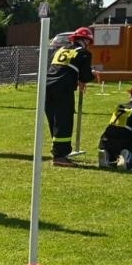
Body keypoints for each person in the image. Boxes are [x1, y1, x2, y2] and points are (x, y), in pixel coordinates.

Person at [44, 26, 95, 165]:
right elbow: (85, 76)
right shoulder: (83, 53)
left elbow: (60, 68)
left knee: (53, 119)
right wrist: (92, 75)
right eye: (89, 41)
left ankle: (57, 151)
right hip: (63, 88)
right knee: (64, 121)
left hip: (47, 87)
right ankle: (60, 156)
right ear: (85, 40)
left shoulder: (60, 50)